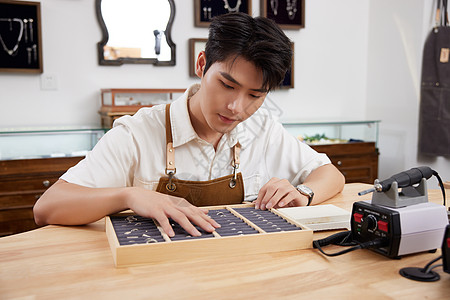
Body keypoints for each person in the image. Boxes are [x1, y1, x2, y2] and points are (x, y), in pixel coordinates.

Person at [33, 13, 344, 238]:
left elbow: (331, 174)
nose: (236, 107)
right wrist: (128, 196)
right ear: (201, 65)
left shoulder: (262, 128)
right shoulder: (138, 132)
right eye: (226, 85)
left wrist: (303, 193)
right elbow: (48, 207)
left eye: (254, 95)